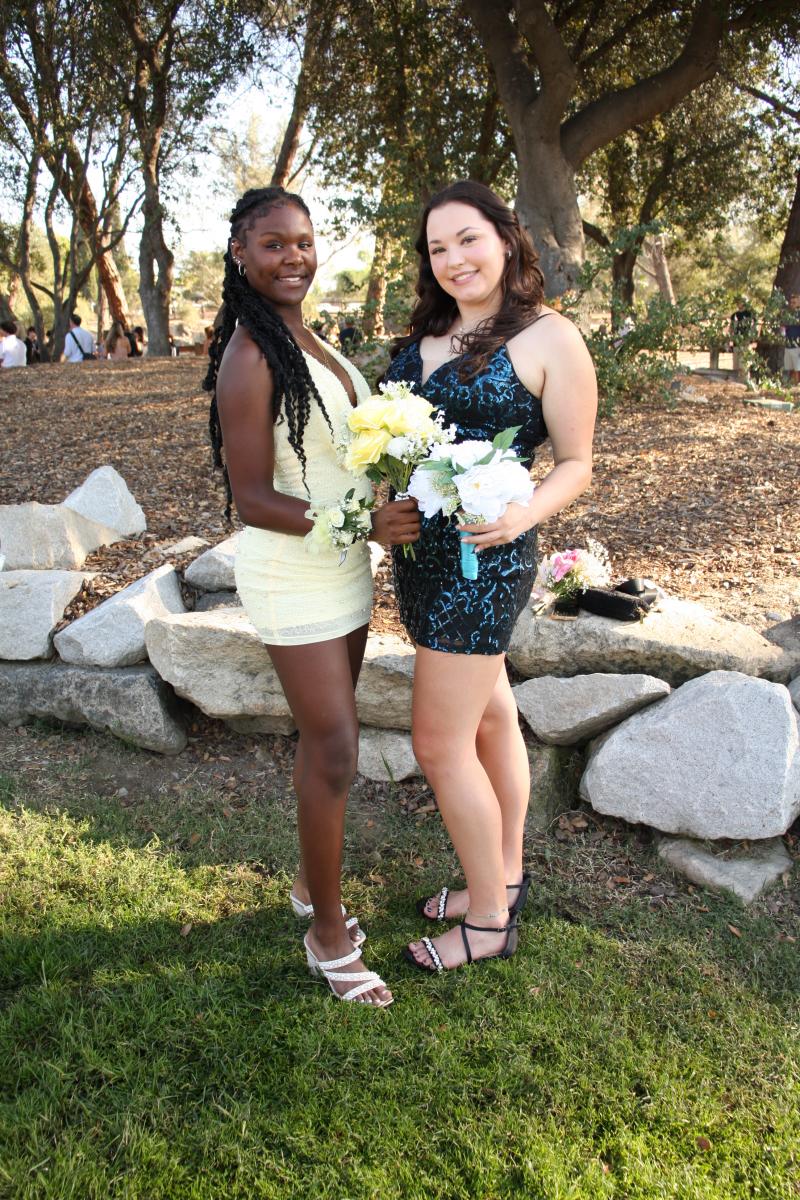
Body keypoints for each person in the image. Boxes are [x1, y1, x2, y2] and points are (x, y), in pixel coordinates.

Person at [205, 186, 420, 1006]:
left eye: (302, 241)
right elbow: (252, 498)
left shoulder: (307, 336)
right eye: (273, 244)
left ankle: (308, 883)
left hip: (342, 564)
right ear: (240, 253)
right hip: (291, 571)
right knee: (335, 747)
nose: (292, 256)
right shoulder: (249, 355)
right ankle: (326, 932)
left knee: (325, 738)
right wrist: (367, 523)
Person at [383, 180, 597, 974]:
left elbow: (576, 462)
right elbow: (396, 443)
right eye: (437, 248)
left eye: (467, 239)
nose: (454, 259)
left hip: (487, 558)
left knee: (438, 744)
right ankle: (501, 878)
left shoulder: (550, 337)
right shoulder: (425, 335)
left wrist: (523, 514)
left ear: (505, 240)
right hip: (420, 557)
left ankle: (486, 923)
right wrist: (383, 502)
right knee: (490, 718)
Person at [782, 292, 800, 385]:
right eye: (791, 302)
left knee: (797, 367)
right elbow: (783, 327)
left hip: (797, 344)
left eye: (794, 302)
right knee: (789, 366)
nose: (792, 304)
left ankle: (797, 385)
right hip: (788, 343)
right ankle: (791, 384)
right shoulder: (788, 314)